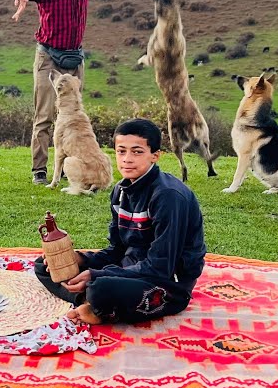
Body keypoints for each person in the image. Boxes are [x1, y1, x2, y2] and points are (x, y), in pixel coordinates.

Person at [7, 0, 155, 184]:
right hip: (48, 56)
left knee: (75, 116)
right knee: (44, 116)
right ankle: (40, 171)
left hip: (75, 57)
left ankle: (68, 166)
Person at [34, 118, 205, 324]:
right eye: (121, 151)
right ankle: (90, 302)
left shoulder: (168, 196)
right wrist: (81, 260)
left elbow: (161, 267)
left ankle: (96, 302)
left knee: (101, 288)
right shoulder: (120, 192)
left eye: (137, 151)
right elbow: (117, 249)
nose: (127, 159)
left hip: (167, 283)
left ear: (155, 156)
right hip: (130, 267)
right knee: (46, 267)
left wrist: (95, 275)